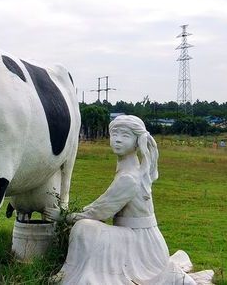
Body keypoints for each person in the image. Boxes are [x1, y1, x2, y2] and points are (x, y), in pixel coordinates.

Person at [45, 115, 213, 285]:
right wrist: (82, 212)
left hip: (142, 245)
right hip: (137, 236)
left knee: (84, 228)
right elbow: (101, 204)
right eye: (114, 134)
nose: (117, 140)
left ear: (137, 141)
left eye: (125, 135)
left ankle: (79, 277)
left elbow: (100, 211)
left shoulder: (129, 177)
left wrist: (65, 217)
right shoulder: (131, 169)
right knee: (86, 227)